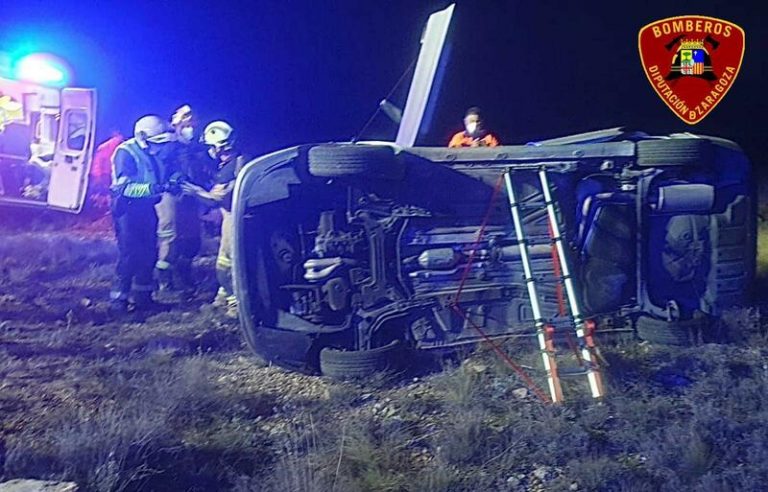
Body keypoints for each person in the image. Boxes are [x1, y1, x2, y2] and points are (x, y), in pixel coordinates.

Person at [109, 115, 174, 312]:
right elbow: (124, 188)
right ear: (143, 136)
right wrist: (154, 188)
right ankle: (118, 303)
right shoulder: (125, 153)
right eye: (157, 142)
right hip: (127, 212)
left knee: (148, 254)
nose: (160, 147)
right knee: (130, 256)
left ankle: (143, 299)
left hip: (146, 208)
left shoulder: (151, 152)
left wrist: (175, 181)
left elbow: (163, 173)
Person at [181, 120, 243, 318]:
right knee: (225, 261)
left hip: (235, 220)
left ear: (219, 146)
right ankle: (222, 297)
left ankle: (236, 306)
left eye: (210, 146)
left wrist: (193, 190)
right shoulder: (237, 162)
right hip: (232, 218)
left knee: (230, 264)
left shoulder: (230, 168)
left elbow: (215, 198)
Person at [154, 105, 211, 293]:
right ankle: (164, 280)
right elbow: (159, 169)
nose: (191, 125)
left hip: (191, 196)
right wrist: (173, 179)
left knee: (192, 239)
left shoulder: (196, 147)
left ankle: (185, 274)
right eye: (186, 121)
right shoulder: (168, 145)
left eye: (192, 121)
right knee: (169, 237)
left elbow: (203, 170)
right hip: (171, 195)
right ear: (176, 123)